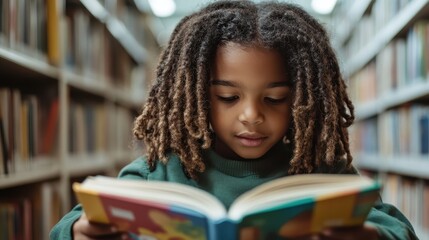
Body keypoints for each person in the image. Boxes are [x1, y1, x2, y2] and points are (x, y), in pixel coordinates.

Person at [51, 1, 419, 239]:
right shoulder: (156, 174)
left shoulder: (325, 172)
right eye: (227, 97)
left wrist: (371, 236)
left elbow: (399, 229)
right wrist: (80, 232)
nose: (252, 116)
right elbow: (66, 229)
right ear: (194, 96)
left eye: (275, 99)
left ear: (304, 100)